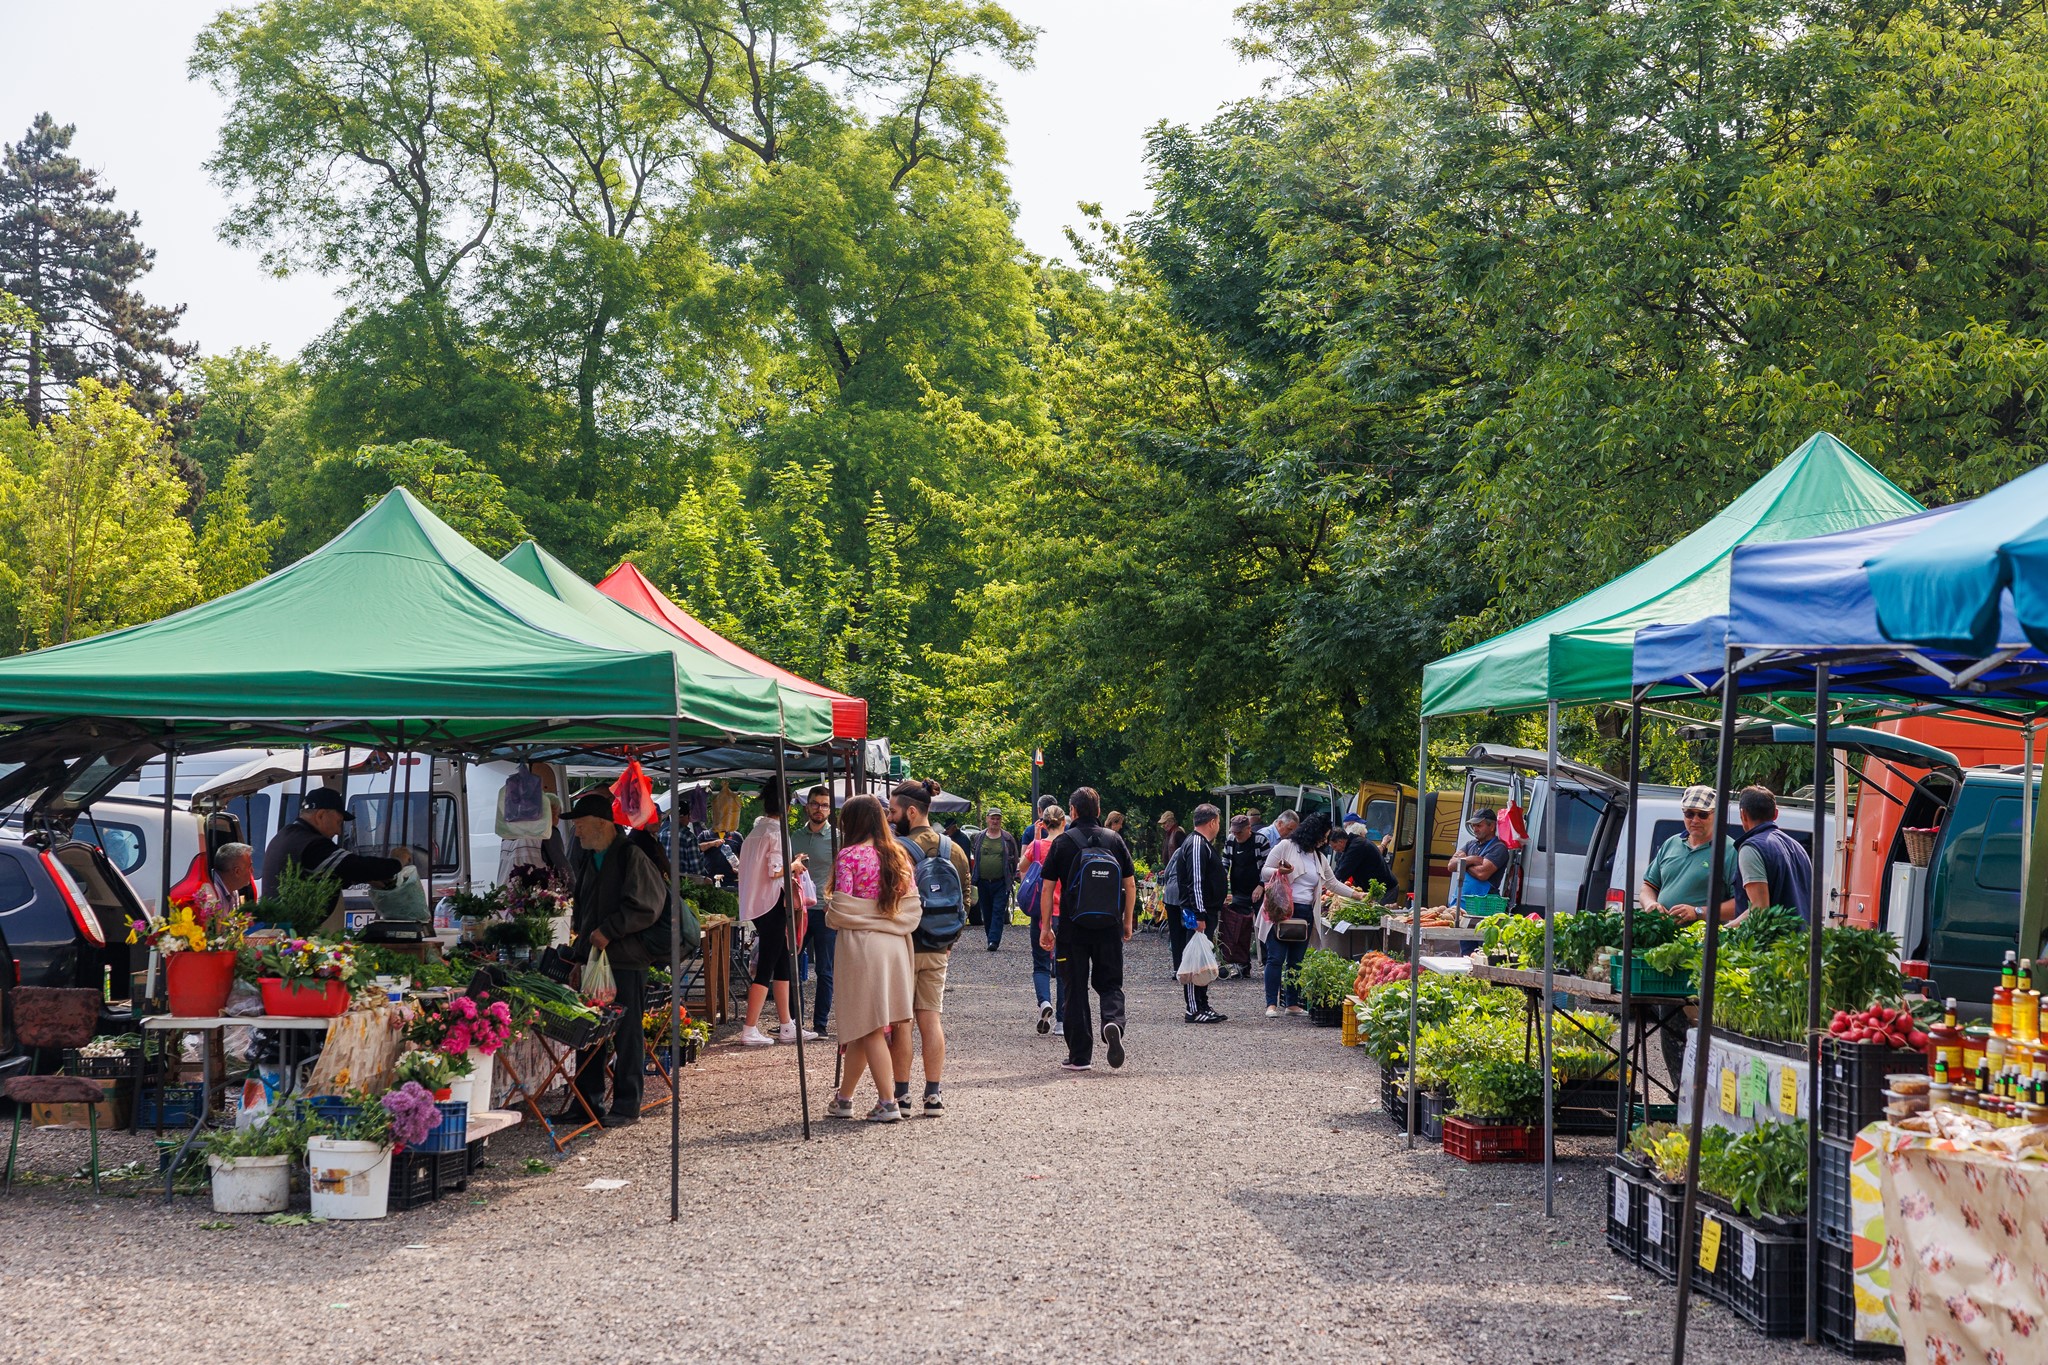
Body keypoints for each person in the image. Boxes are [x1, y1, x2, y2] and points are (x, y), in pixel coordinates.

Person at [563, 791, 667, 1127]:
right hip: (596, 958)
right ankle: (586, 1104)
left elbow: (649, 905)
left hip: (626, 959)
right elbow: (584, 913)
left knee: (627, 1033)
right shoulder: (590, 858)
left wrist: (610, 929)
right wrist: (580, 957)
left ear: (600, 825)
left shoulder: (630, 854)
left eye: (579, 825)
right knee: (589, 1031)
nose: (576, 832)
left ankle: (626, 1105)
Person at [822, 795, 918, 1123]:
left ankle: (887, 1102)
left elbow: (841, 907)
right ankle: (844, 1098)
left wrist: (849, 914)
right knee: (866, 1025)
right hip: (894, 947)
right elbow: (910, 904)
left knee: (871, 1026)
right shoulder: (899, 855)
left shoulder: (849, 855)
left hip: (862, 948)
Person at [1038, 786, 1137, 1071]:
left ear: (1072, 811)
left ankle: (1080, 1056)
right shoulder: (1114, 839)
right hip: (1108, 926)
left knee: (1075, 988)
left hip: (1072, 928)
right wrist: (1127, 921)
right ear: (1099, 810)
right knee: (1110, 983)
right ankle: (1112, 1022)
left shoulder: (1063, 843)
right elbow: (1129, 884)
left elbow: (1047, 888)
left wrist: (1046, 927)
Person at [889, 779, 971, 1116]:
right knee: (931, 1019)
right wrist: (951, 939)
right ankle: (933, 1096)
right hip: (939, 946)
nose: (891, 818)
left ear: (911, 811)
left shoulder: (897, 850)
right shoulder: (954, 849)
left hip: (904, 945)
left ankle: (903, 1097)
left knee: (902, 1023)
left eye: (894, 811)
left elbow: (889, 899)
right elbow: (966, 896)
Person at [1260, 812, 1368, 1018]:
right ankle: (1271, 1004)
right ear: (1312, 833)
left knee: (1297, 960)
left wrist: (1357, 895)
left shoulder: (1319, 857)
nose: (1325, 841)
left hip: (1306, 913)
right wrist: (1280, 871)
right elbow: (1265, 871)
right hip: (1283, 909)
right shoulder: (1286, 847)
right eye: (1323, 835)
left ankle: (1291, 1003)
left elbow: (1332, 883)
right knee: (1276, 958)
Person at [736, 777, 817, 1047]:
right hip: (772, 903)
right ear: (789, 805)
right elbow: (775, 871)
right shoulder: (776, 833)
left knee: (782, 960)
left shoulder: (755, 832)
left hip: (759, 903)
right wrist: (794, 865)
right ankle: (749, 1028)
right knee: (768, 965)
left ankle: (786, 1025)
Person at [260, 786, 409, 918]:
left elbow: (330, 873)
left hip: (282, 925)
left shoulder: (288, 835)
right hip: (292, 927)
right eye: (338, 822)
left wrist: (364, 879)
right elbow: (355, 866)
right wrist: (397, 862)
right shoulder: (312, 843)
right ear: (320, 815)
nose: (338, 831)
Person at [1640, 786, 1740, 927]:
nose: (1695, 820)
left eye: (1702, 815)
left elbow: (1740, 904)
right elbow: (1648, 886)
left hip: (1699, 941)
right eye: (1689, 814)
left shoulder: (1730, 851)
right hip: (1660, 934)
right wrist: (1651, 903)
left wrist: (1698, 911)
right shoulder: (1671, 843)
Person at [1167, 803, 1227, 1023]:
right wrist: (1200, 914)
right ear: (1212, 822)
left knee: (1202, 959)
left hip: (1205, 911)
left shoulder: (1201, 844)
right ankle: (1193, 1008)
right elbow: (1196, 882)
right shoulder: (1196, 843)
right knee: (1194, 959)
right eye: (1218, 822)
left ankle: (1202, 1003)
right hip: (1198, 913)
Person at [788, 786, 839, 1036]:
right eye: (815, 804)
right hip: (800, 910)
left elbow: (843, 874)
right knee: (792, 965)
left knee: (824, 970)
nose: (820, 809)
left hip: (825, 910)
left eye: (825, 805)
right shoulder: (794, 837)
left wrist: (836, 901)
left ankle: (820, 1024)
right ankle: (793, 1023)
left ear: (830, 808)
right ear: (806, 806)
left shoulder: (837, 838)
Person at [1020, 804, 1068, 1033]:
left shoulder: (1037, 846)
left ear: (1044, 823)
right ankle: (1061, 1021)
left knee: (1040, 964)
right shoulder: (1069, 845)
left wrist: (1036, 839)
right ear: (1064, 823)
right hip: (1064, 913)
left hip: (1041, 913)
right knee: (1063, 967)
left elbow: (1021, 866)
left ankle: (1044, 1002)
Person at [1736, 785, 1813, 921]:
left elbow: (1759, 910)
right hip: (1800, 939)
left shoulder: (1751, 848)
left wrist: (1722, 932)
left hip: (1772, 941)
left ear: (1743, 814)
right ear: (1776, 814)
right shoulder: (1797, 847)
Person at [1217, 814, 1268, 979]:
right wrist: (1221, 881)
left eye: (1240, 832)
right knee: (1237, 928)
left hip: (1258, 890)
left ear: (1248, 829)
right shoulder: (1231, 840)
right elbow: (1225, 862)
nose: (1237, 835)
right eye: (1234, 832)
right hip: (1239, 890)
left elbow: (1268, 867)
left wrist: (1261, 885)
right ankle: (1242, 963)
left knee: (1262, 927)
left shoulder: (1260, 841)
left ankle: (1267, 963)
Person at [968, 808, 1020, 952]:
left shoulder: (1007, 838)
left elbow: (1014, 859)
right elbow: (975, 857)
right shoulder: (979, 837)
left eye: (998, 818)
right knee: (987, 911)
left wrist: (1014, 875)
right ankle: (990, 937)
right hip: (983, 881)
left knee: (998, 911)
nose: (995, 821)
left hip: (1001, 881)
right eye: (992, 818)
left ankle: (994, 941)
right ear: (987, 819)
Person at [1447, 808, 1510, 902]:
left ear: (1492, 826)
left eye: (1479, 826)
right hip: (1460, 901)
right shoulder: (1470, 844)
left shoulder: (1499, 848)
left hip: (1483, 905)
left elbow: (1482, 874)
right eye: (1473, 826)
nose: (1475, 829)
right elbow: (1451, 866)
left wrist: (1463, 862)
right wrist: (1472, 859)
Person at [1334, 818, 1395, 896]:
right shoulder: (1353, 846)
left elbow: (1342, 872)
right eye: (1363, 834)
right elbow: (1341, 871)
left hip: (1385, 889)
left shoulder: (1358, 845)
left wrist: (1333, 884)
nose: (1364, 837)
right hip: (1373, 888)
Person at [210, 842, 257, 908]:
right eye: (249, 867)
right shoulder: (212, 894)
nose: (252, 870)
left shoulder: (233, 890)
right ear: (237, 872)